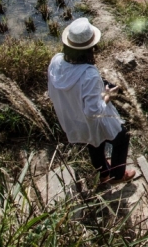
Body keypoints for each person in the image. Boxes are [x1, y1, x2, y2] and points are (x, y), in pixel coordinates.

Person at [48, 18, 135, 184]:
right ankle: (117, 176)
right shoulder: (89, 74)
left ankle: (103, 174)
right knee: (122, 137)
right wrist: (109, 95)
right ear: (90, 48)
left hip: (72, 116)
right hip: (89, 119)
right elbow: (93, 112)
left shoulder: (56, 61)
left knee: (93, 143)